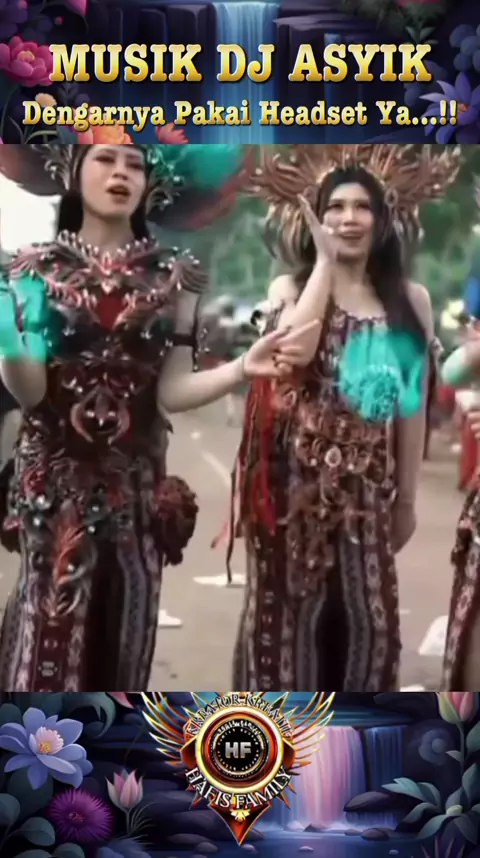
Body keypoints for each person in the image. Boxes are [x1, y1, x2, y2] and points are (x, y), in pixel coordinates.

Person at [0, 142, 312, 692]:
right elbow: (32, 393)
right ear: (71, 170)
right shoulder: (34, 269)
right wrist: (10, 340)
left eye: (135, 164)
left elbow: (170, 390)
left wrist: (243, 367)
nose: (121, 173)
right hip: (53, 496)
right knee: (46, 649)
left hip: (137, 496)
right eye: (105, 159)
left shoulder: (175, 277)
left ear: (152, 182)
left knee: (124, 652)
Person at [227, 143, 460, 691]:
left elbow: (410, 406)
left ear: (383, 220)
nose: (349, 219)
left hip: (367, 497)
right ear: (314, 217)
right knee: (284, 639)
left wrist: (406, 500)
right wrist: (326, 266)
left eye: (362, 207)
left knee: (367, 634)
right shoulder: (290, 288)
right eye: (335, 207)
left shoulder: (410, 301)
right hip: (289, 495)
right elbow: (295, 354)